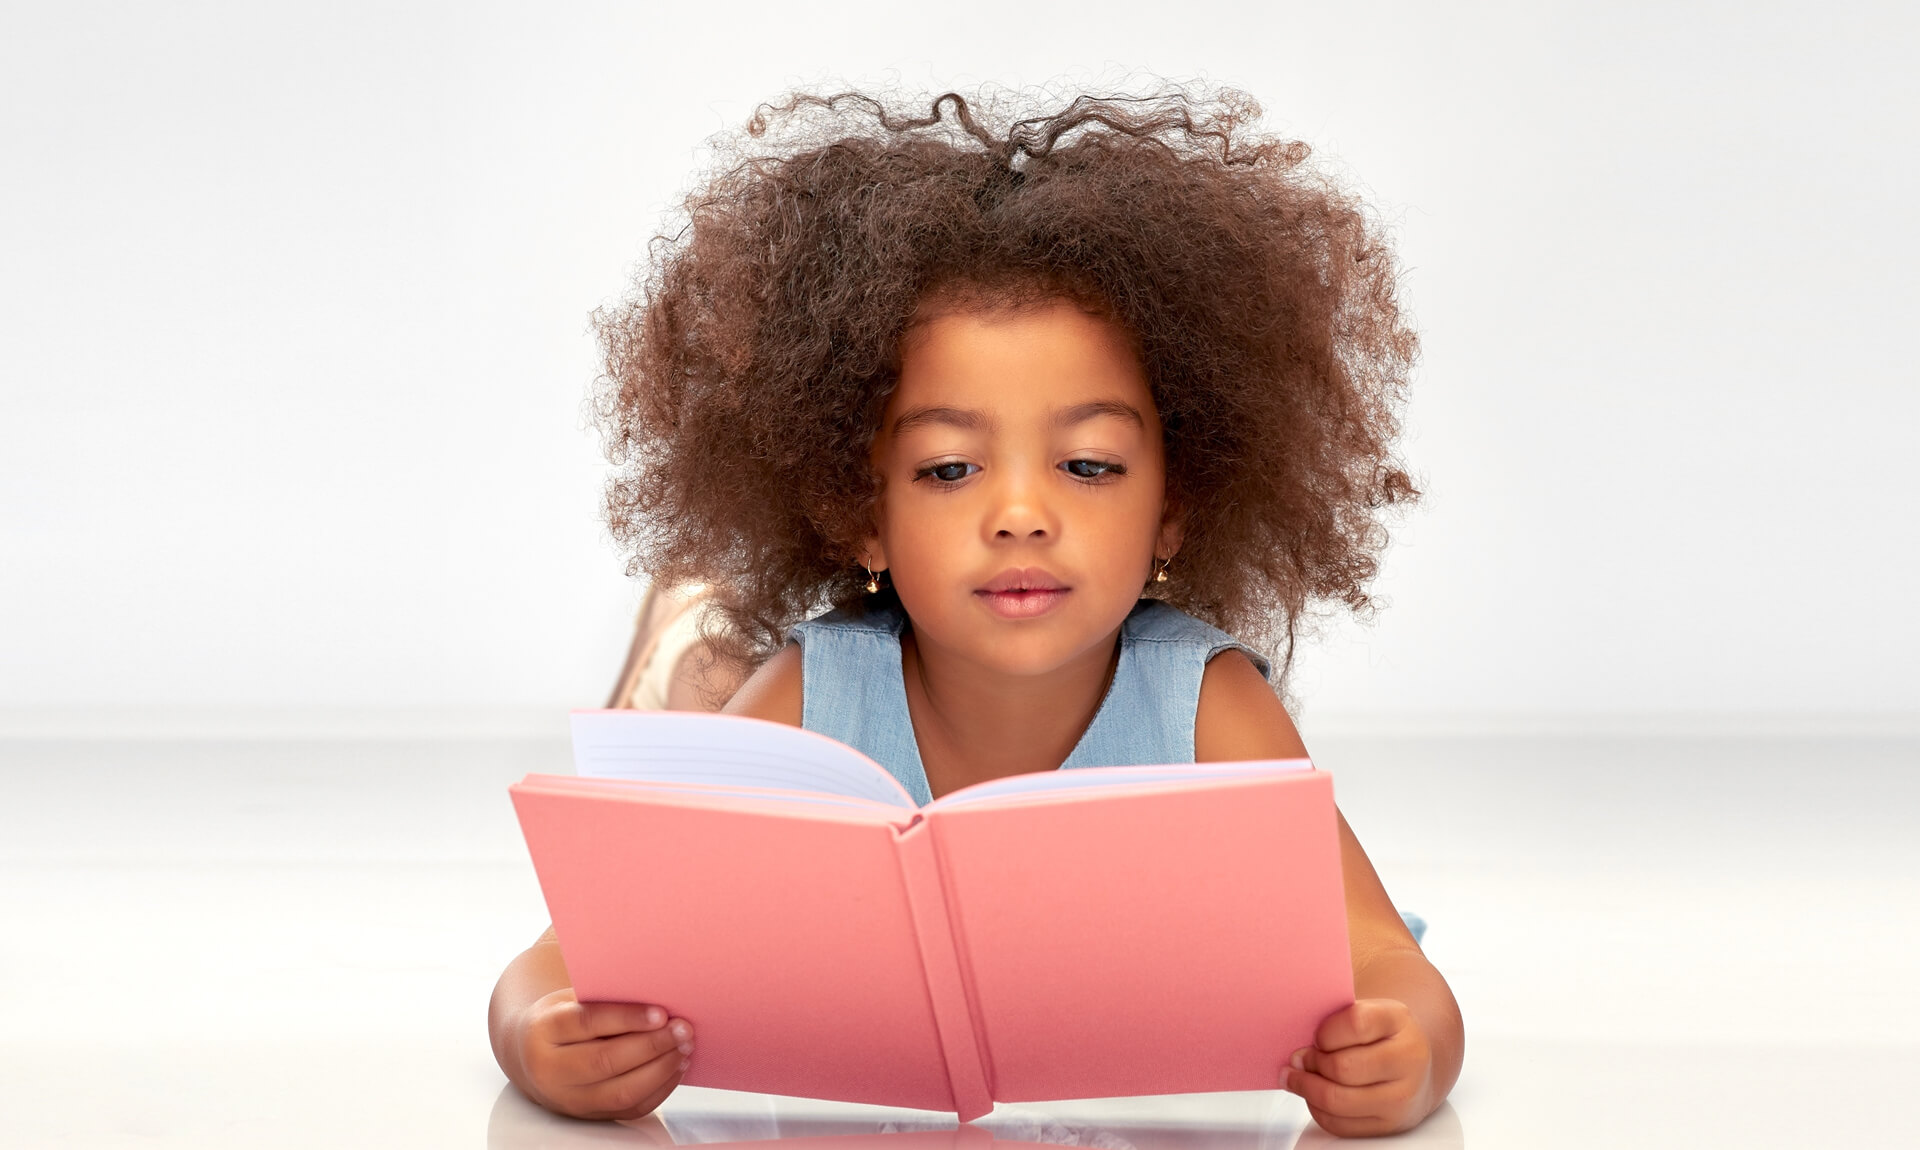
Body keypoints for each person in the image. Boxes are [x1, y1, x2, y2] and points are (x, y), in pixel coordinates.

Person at [489, 86, 1463, 1137]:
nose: (1021, 515)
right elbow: (556, 964)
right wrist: (540, 1034)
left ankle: (687, 650)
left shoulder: (1207, 707)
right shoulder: (812, 695)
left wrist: (1408, 1055)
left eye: (1088, 464)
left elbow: (1390, 967)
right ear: (862, 515)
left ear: (1174, 508)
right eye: (950, 468)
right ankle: (684, 652)